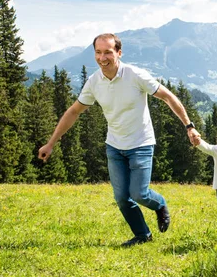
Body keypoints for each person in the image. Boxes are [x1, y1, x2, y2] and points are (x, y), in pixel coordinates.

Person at [38, 33, 201, 246]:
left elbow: (168, 97)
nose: (102, 57)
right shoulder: (94, 82)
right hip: (114, 146)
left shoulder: (135, 75)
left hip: (141, 143)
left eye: (108, 52)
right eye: (98, 52)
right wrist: (51, 143)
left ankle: (160, 204)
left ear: (119, 53)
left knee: (139, 193)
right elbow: (73, 112)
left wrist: (189, 126)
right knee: (123, 198)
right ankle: (143, 235)